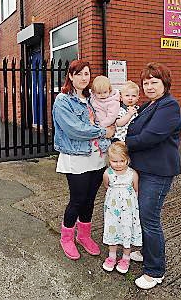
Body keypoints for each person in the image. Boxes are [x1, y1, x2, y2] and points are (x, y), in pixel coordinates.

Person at [125, 62, 181, 290]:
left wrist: (123, 144)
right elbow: (134, 129)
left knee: (149, 219)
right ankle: (147, 252)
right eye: (146, 83)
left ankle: (155, 270)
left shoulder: (169, 106)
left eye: (154, 82)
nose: (149, 86)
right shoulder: (150, 105)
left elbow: (151, 136)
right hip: (144, 168)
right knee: (143, 215)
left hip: (158, 172)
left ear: (164, 83)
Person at [52, 59, 115, 260]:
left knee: (89, 200)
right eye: (78, 74)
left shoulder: (91, 99)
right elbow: (75, 130)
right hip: (76, 157)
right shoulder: (63, 100)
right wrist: (104, 132)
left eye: (86, 74)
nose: (83, 78)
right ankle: (66, 238)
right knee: (77, 200)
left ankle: (84, 236)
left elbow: (110, 109)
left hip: (97, 156)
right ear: (70, 76)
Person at [101, 141, 142, 274]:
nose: (118, 164)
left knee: (126, 231)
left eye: (121, 161)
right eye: (114, 161)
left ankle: (126, 258)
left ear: (127, 159)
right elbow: (107, 186)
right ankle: (111, 257)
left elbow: (136, 190)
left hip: (128, 211)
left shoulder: (132, 174)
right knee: (112, 229)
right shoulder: (108, 174)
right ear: (109, 160)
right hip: (113, 210)